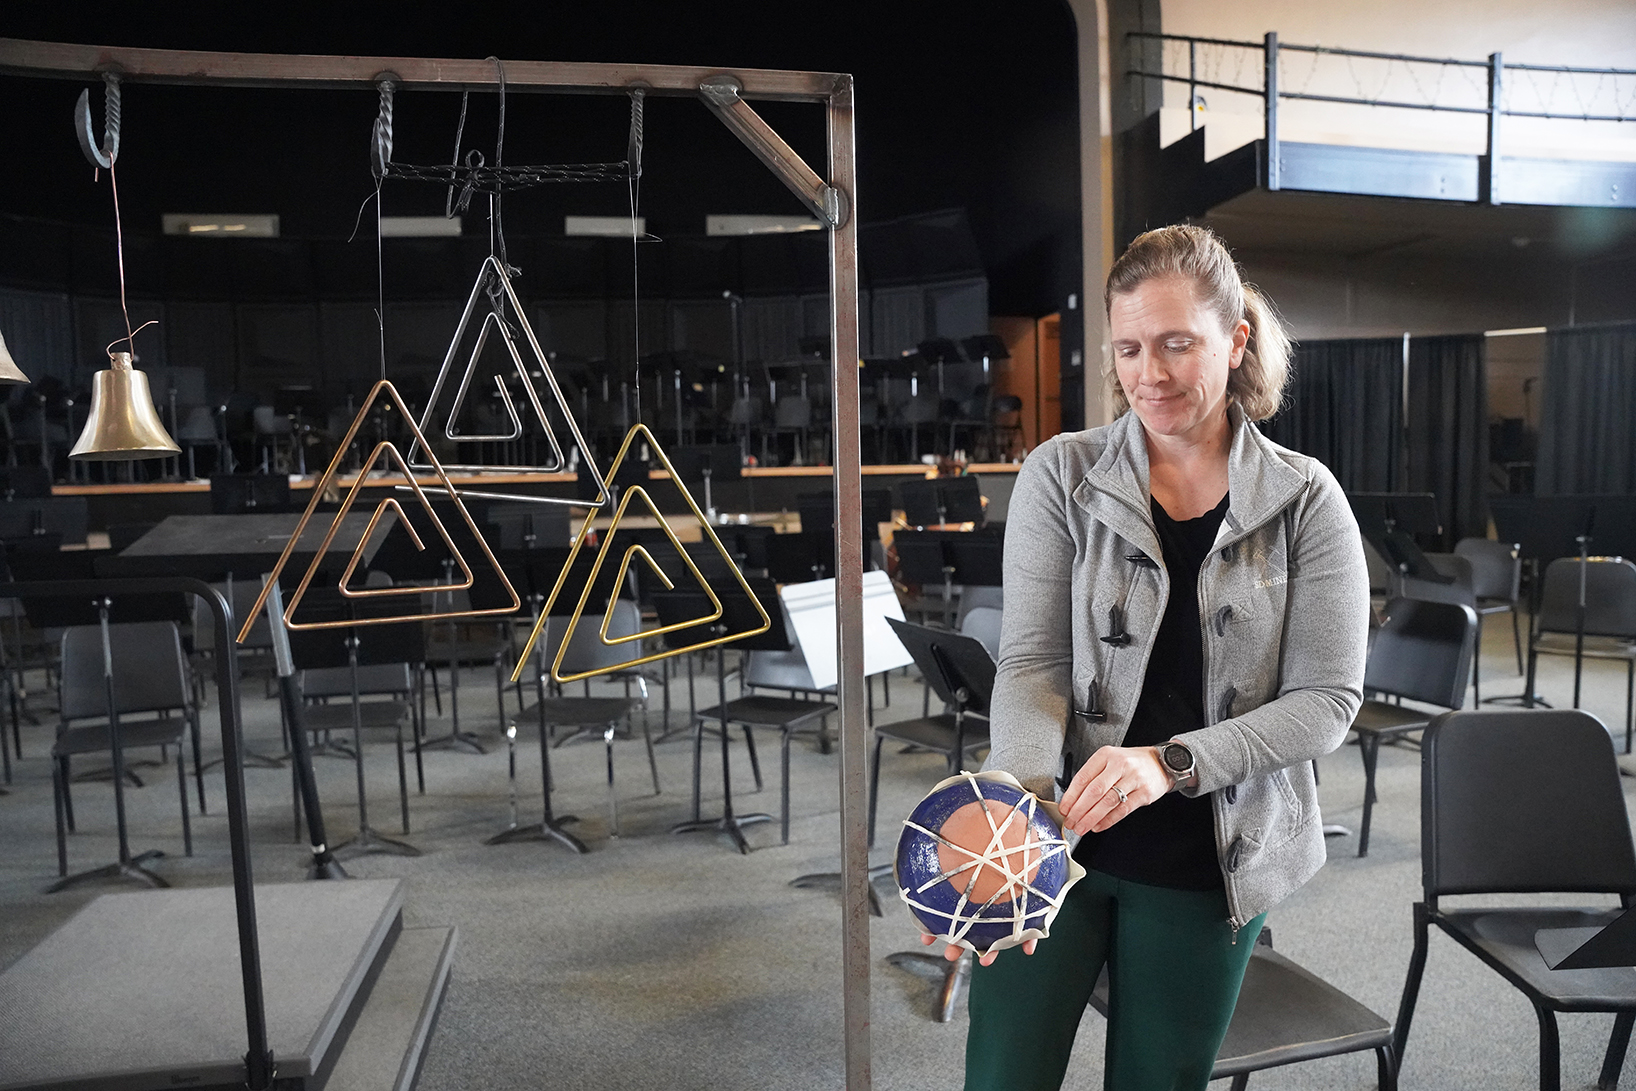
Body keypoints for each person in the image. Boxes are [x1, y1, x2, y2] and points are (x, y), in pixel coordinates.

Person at [938, 224, 1370, 1090]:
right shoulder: (1061, 474)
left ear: (1235, 339)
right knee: (1001, 1077)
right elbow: (1029, 664)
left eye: (1178, 344)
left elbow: (1327, 700)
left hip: (1210, 861)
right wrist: (1012, 816)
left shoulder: (1305, 498)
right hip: (1058, 838)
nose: (1151, 374)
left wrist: (1170, 764)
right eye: (1130, 348)